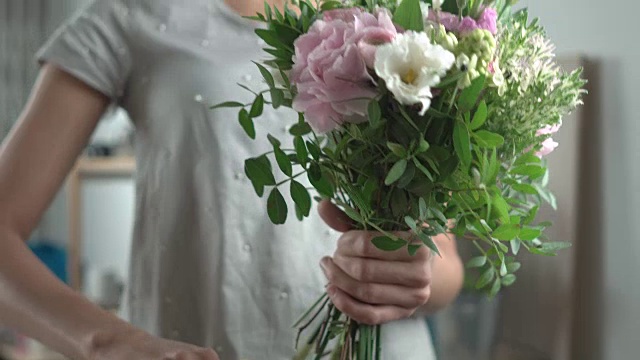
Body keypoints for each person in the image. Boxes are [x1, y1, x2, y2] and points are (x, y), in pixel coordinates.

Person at [0, 0, 464, 359]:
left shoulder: (395, 21)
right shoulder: (131, 13)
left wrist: (413, 273)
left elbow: (444, 266)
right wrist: (105, 341)